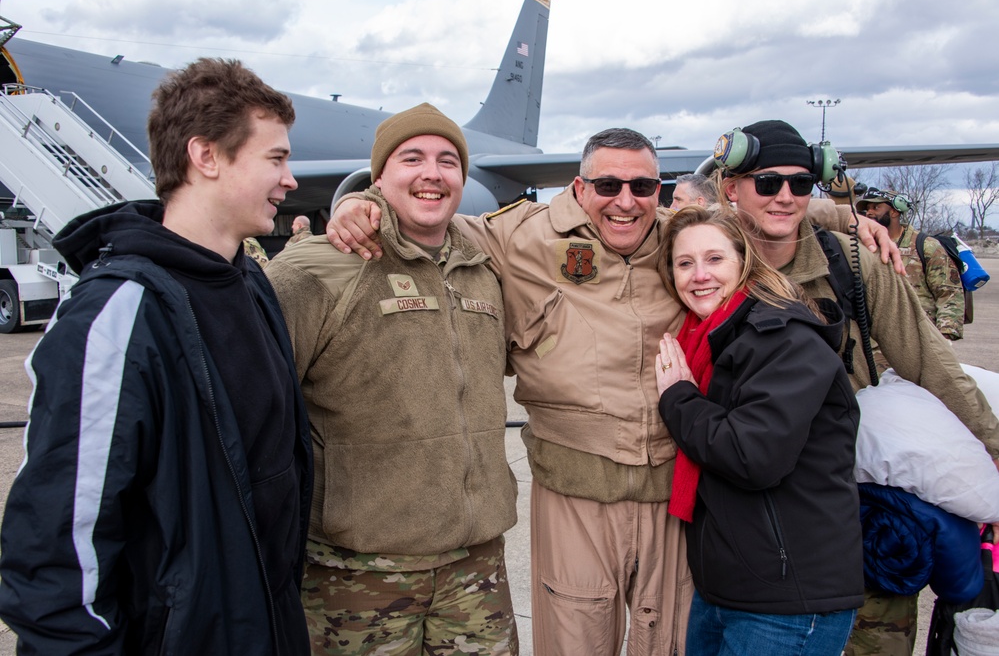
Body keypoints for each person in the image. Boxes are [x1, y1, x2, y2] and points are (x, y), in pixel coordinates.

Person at [326, 126, 904, 656]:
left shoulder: (682, 235)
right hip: (573, 489)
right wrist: (367, 202)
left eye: (642, 185)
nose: (625, 200)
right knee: (576, 640)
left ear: (660, 189)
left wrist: (851, 219)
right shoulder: (519, 235)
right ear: (580, 187)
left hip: (673, 496)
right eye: (607, 184)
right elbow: (433, 215)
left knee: (667, 644)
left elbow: (764, 208)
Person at [0, 58, 313, 655]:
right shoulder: (115, 312)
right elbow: (57, 550)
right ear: (207, 156)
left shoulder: (249, 286)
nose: (291, 179)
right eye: (275, 158)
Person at [710, 119, 999, 656]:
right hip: (742, 510)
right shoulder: (704, 260)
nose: (786, 196)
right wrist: (846, 212)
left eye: (801, 184)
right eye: (767, 182)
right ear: (733, 188)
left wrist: (995, 446)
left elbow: (932, 364)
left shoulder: (852, 263)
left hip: (851, 508)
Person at [265, 103, 518, 655]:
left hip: (475, 566)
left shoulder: (483, 269)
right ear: (379, 175)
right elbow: (255, 409)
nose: (433, 173)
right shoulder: (317, 268)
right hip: (356, 575)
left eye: (448, 161)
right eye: (413, 158)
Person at [654, 205, 864, 655]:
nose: (698, 275)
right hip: (729, 587)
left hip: (788, 599)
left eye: (714, 259)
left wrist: (678, 398)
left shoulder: (784, 337)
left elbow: (752, 455)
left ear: (744, 260)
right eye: (684, 263)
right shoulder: (713, 337)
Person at [858, 188, 964, 340]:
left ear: (895, 212)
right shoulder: (862, 247)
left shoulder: (926, 246)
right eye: (867, 209)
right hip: (876, 341)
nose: (869, 213)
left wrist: (944, 337)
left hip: (921, 338)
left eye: (876, 207)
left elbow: (950, 294)